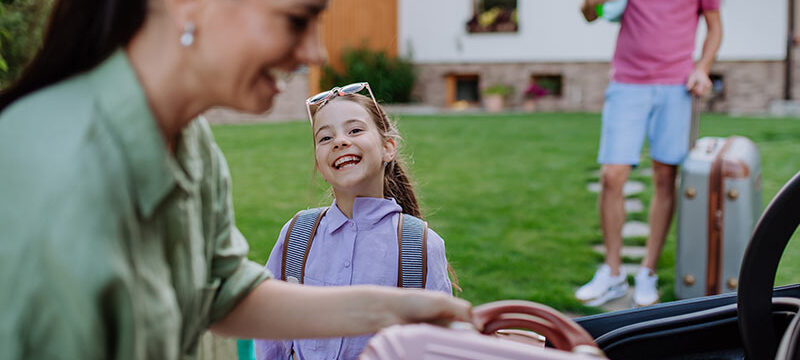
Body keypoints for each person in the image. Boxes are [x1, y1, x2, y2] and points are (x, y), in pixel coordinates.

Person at [0, 0, 472, 359]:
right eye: (296, 20)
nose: (316, 53)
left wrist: (397, 309)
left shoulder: (193, 144)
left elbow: (223, 290)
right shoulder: (52, 168)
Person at [255, 87, 457, 359]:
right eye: (325, 137)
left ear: (388, 148)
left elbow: (436, 347)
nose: (339, 142)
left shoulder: (418, 247)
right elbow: (270, 333)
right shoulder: (297, 237)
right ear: (318, 163)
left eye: (354, 131)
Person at [576, 0, 722, 307]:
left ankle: (647, 271)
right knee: (612, 176)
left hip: (677, 86)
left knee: (665, 176)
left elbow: (715, 27)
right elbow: (590, 15)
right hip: (627, 84)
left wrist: (703, 69)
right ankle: (613, 273)